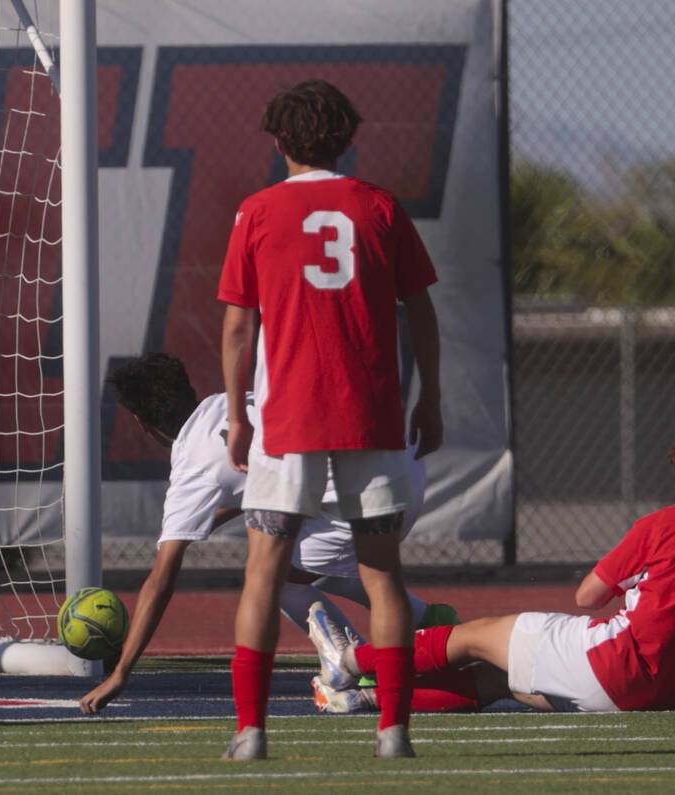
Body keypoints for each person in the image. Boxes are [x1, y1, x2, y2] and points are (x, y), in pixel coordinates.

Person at [218, 79, 443, 760]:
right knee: (383, 576)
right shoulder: (380, 207)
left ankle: (251, 732)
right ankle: (394, 732)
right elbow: (423, 313)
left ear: (279, 141)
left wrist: (236, 415)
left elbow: (237, 327)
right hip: (369, 416)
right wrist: (431, 397)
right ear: (347, 139)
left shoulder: (255, 213)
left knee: (264, 572)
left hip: (287, 420)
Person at [309, 429, 675, 714]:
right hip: (668, 694)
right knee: (492, 681)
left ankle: (351, 661)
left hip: (613, 666)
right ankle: (364, 701)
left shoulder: (663, 524)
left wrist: (633, 580)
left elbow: (586, 597)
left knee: (474, 636)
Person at [78, 353, 457, 716]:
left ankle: (352, 661)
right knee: (292, 541)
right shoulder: (227, 403)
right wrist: (208, 518)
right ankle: (430, 617)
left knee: (269, 571)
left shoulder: (192, 467)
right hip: (401, 463)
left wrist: (121, 672)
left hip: (366, 496)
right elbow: (264, 480)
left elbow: (160, 582)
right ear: (186, 389)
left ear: (141, 423)